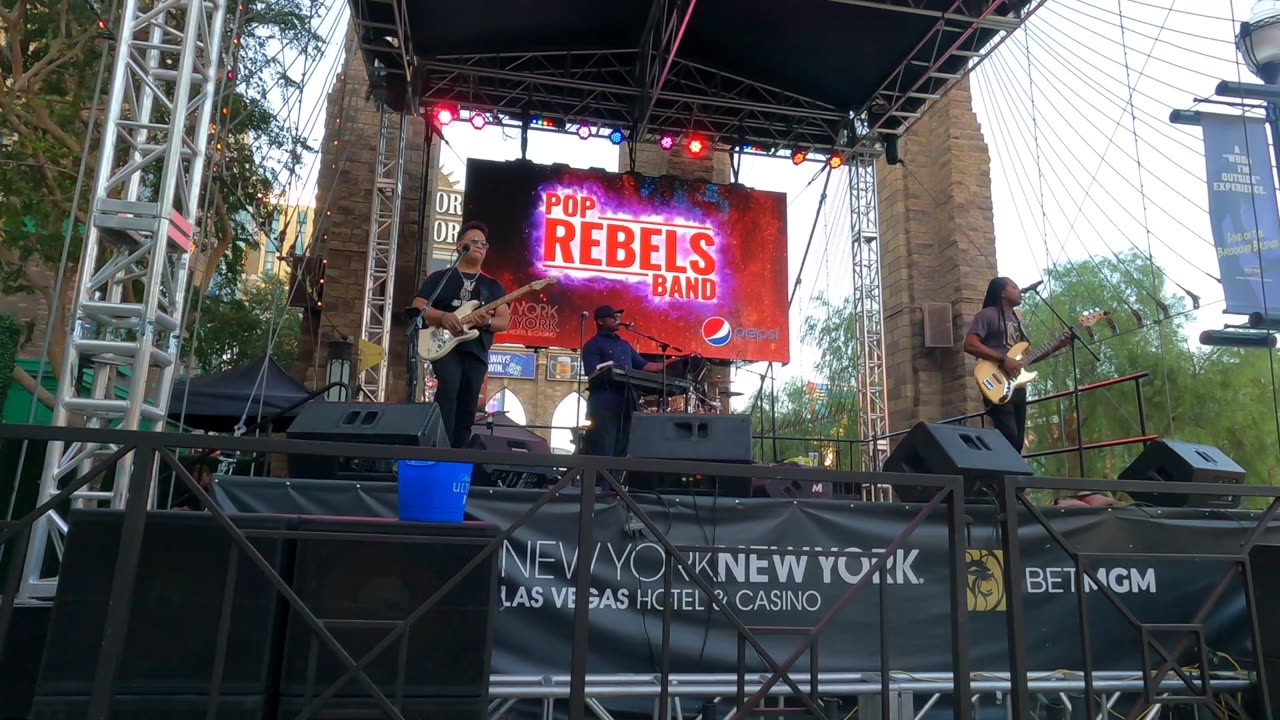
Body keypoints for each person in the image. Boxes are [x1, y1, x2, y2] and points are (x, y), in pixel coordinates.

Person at [412, 221, 510, 448]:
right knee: (449, 388)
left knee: (468, 400)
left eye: (484, 244)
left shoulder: (492, 287)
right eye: (474, 241)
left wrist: (486, 321)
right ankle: (439, 446)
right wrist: (443, 317)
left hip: (475, 350)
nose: (480, 246)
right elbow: (418, 306)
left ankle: (458, 452)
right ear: (460, 246)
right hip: (444, 347)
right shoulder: (440, 278)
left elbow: (503, 321)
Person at [963, 276, 1067, 452]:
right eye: (1014, 287)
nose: (1020, 292)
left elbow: (1028, 357)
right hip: (995, 380)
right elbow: (970, 344)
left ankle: (1007, 477)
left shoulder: (1019, 321)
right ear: (1002, 292)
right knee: (1008, 436)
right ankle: (999, 476)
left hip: (1017, 385)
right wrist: (1003, 359)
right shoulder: (987, 315)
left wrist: (1057, 345)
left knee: (1017, 441)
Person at [580, 305, 666, 457]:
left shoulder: (624, 344)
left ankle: (616, 479)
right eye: (613, 317)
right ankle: (602, 481)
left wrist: (670, 363)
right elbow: (592, 371)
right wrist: (610, 368)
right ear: (600, 321)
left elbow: (645, 365)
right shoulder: (592, 345)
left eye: (618, 317)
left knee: (624, 444)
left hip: (627, 400)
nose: (617, 320)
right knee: (605, 444)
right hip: (605, 401)